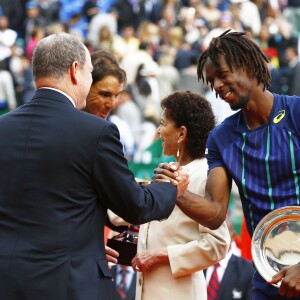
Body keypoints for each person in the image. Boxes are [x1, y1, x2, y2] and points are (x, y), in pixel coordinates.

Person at [0, 32, 189, 300]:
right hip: (68, 285)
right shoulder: (96, 132)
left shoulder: (3, 127)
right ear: (75, 71)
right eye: (90, 74)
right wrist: (171, 188)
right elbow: (136, 205)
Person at [153, 30, 300, 299]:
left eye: (222, 75)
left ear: (247, 65)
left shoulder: (296, 114)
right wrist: (177, 192)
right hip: (269, 279)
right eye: (211, 81)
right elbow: (216, 212)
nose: (217, 86)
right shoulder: (221, 138)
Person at [131, 91, 231, 300]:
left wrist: (162, 255)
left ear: (182, 133)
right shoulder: (168, 170)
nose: (158, 131)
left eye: (163, 123)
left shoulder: (205, 172)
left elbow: (218, 243)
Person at [205, 215, 255, 300]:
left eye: (224, 234)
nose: (219, 238)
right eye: (214, 233)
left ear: (233, 236)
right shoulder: (197, 266)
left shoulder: (247, 271)